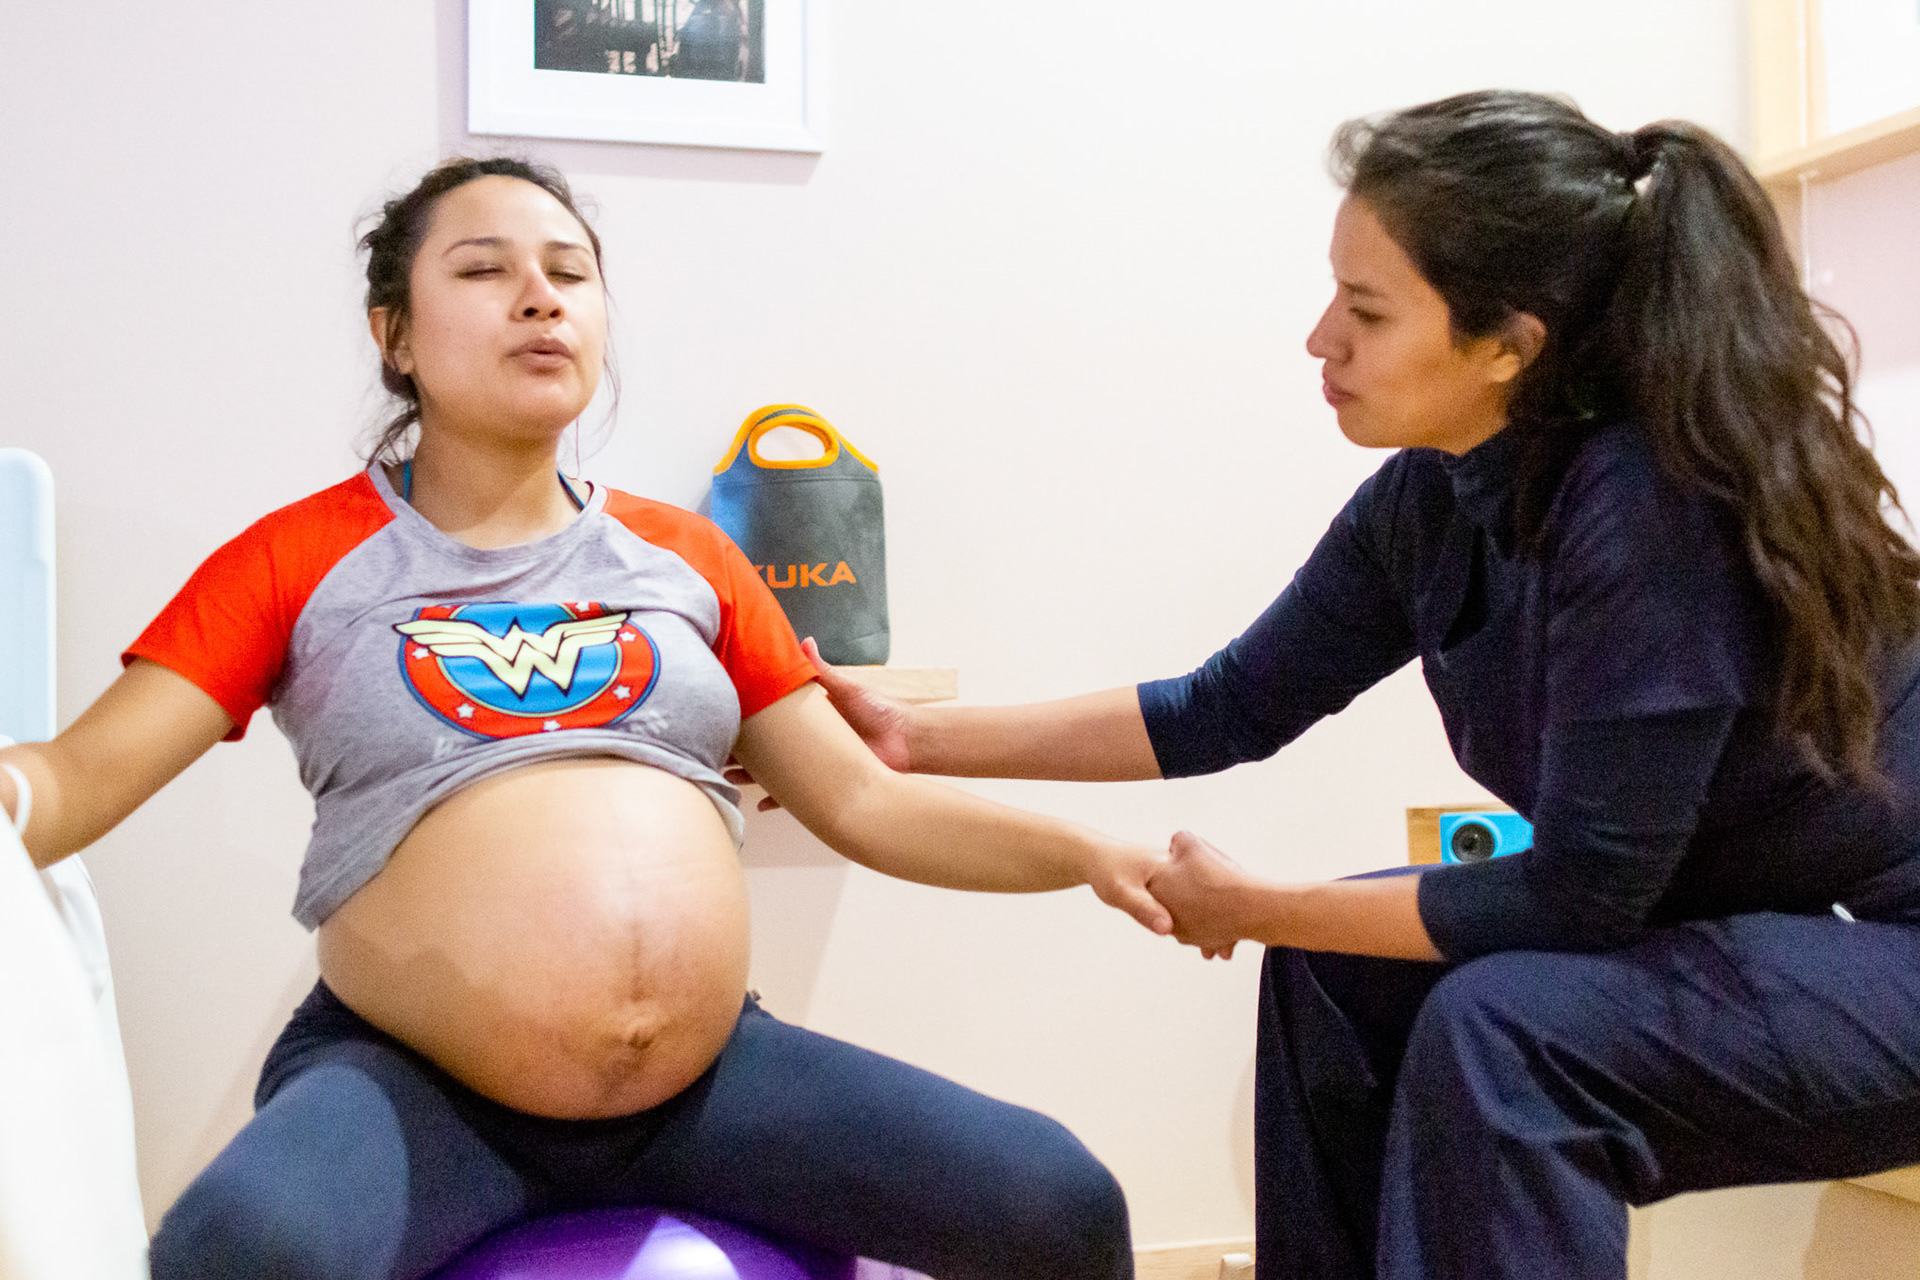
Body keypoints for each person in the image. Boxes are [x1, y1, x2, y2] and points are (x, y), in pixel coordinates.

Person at [789, 91, 1920, 1280]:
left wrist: (1263, 900)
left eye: (1366, 311)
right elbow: (1222, 705)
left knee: (1510, 1035)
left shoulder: (1643, 508)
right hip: (1766, 924)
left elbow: (1583, 899)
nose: (1319, 337)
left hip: (1888, 944)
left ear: (1508, 346)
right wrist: (913, 740)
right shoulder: (1436, 493)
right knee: (1339, 974)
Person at [0, 156, 1171, 1280]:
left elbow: (865, 799)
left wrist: (1088, 855)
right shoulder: (297, 557)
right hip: (416, 1089)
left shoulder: (688, 556)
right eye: (482, 269)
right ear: (394, 334)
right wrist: (17, 793)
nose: (538, 298)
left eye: (570, 271)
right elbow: (70, 779)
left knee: (1057, 1204)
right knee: (237, 1254)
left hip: (708, 1082)